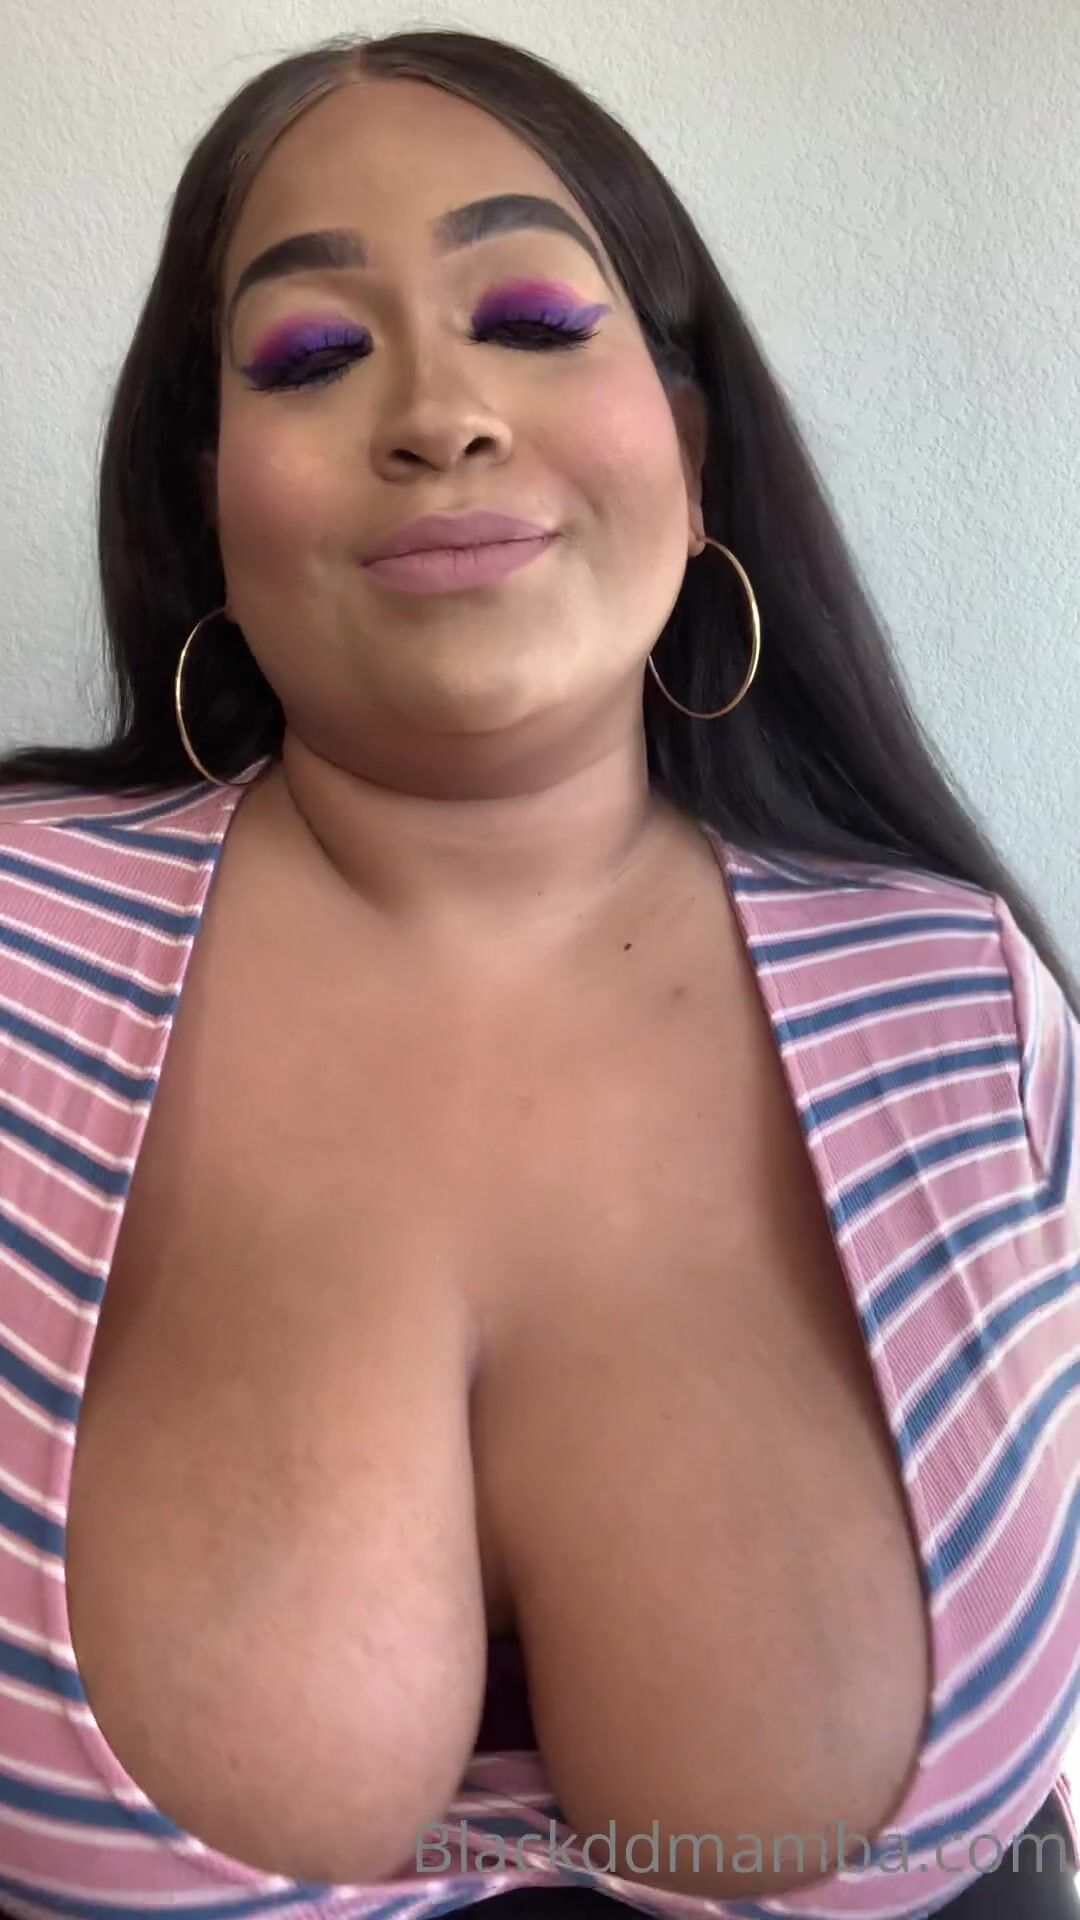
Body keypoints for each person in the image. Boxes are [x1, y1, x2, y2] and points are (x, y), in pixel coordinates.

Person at [0, 25, 1075, 1920]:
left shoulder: (964, 1006)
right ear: (211, 495)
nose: (442, 415)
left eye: (532, 321)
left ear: (696, 444)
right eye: (312, 355)